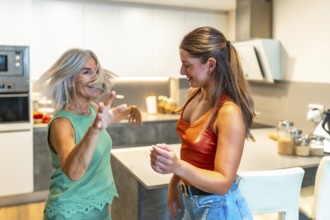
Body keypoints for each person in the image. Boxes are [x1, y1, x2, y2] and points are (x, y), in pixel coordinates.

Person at [150, 26, 255, 220]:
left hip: (220, 208)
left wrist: (177, 167)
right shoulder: (194, 95)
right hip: (193, 201)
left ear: (211, 65)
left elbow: (223, 183)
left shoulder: (228, 112)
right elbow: (192, 154)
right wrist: (175, 182)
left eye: (187, 64)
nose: (182, 71)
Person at [37, 48, 142, 220]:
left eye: (97, 72)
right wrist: (94, 130)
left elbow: (111, 116)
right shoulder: (62, 124)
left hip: (99, 207)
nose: (96, 78)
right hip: (70, 212)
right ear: (70, 79)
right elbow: (73, 172)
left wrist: (131, 110)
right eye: (86, 72)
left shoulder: (92, 110)